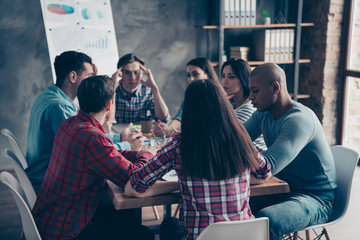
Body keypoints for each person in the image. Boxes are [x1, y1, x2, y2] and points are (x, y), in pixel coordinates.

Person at [125, 80, 271, 240]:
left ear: (189, 110)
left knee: (169, 224)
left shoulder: (180, 144)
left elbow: (134, 187)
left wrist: (180, 184)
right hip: (244, 237)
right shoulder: (240, 138)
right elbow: (264, 173)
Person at [32, 75, 159, 240]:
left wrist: (136, 154)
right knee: (144, 235)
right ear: (109, 104)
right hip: (67, 230)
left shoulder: (70, 124)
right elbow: (134, 180)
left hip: (51, 217)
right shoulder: (93, 137)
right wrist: (149, 154)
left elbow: (107, 154)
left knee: (126, 215)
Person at [25, 51, 142, 193]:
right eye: (90, 76)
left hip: (43, 175)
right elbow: (92, 147)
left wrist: (121, 138)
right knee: (120, 192)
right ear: (73, 76)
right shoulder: (60, 107)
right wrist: (127, 144)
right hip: (48, 183)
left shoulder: (49, 96)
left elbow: (91, 141)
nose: (93, 81)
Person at [243, 63, 337, 240]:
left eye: (255, 90)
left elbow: (266, 169)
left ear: (275, 87)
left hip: (316, 198)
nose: (250, 97)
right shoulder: (263, 113)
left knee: (269, 220)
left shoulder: (298, 120)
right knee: (232, 204)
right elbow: (235, 141)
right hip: (283, 189)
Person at [153, 57, 219, 136]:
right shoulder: (190, 96)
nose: (191, 79)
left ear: (207, 75)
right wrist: (166, 129)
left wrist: (171, 131)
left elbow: (202, 128)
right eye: (188, 75)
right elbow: (180, 117)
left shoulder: (216, 97)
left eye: (195, 74)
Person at [221, 58, 267, 152]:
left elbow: (224, 138)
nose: (224, 82)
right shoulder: (232, 103)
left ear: (242, 80)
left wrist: (220, 103)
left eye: (231, 77)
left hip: (256, 161)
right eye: (223, 76)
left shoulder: (249, 107)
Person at [113, 53, 170, 124]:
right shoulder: (114, 91)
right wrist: (112, 89)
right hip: (119, 134)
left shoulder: (147, 91)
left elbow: (163, 119)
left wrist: (154, 88)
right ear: (120, 73)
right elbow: (105, 121)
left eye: (136, 72)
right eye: (127, 73)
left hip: (142, 133)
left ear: (142, 73)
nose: (132, 78)